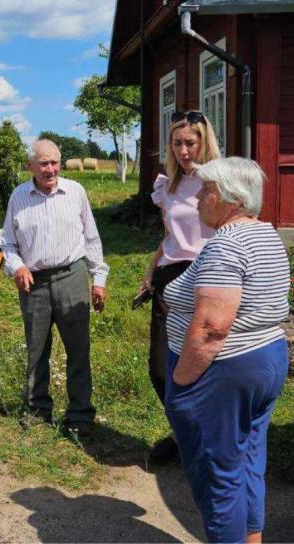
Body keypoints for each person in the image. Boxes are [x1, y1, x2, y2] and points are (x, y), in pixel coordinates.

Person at [163, 157, 289, 543]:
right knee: (247, 460)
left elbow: (211, 328)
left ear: (232, 199)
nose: (199, 198)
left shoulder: (227, 245)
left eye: (207, 190)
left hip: (222, 371)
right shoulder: (266, 235)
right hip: (265, 359)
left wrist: (182, 382)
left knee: (219, 474)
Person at [1, 139, 109, 435]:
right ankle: (38, 410)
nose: (50, 169)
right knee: (37, 349)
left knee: (78, 348)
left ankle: (80, 415)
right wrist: (18, 266)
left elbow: (91, 239)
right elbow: (7, 242)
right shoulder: (19, 196)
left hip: (71, 276)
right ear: (30, 166)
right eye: (44, 164)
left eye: (55, 163)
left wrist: (98, 279)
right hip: (34, 282)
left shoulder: (75, 192)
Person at [140, 110, 220, 463]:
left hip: (209, 277)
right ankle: (183, 431)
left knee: (204, 364)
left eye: (190, 142)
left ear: (204, 141)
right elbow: (170, 235)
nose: (183, 151)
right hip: (169, 277)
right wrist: (150, 269)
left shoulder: (219, 182)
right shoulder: (167, 185)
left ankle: (200, 440)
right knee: (161, 368)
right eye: (177, 144)